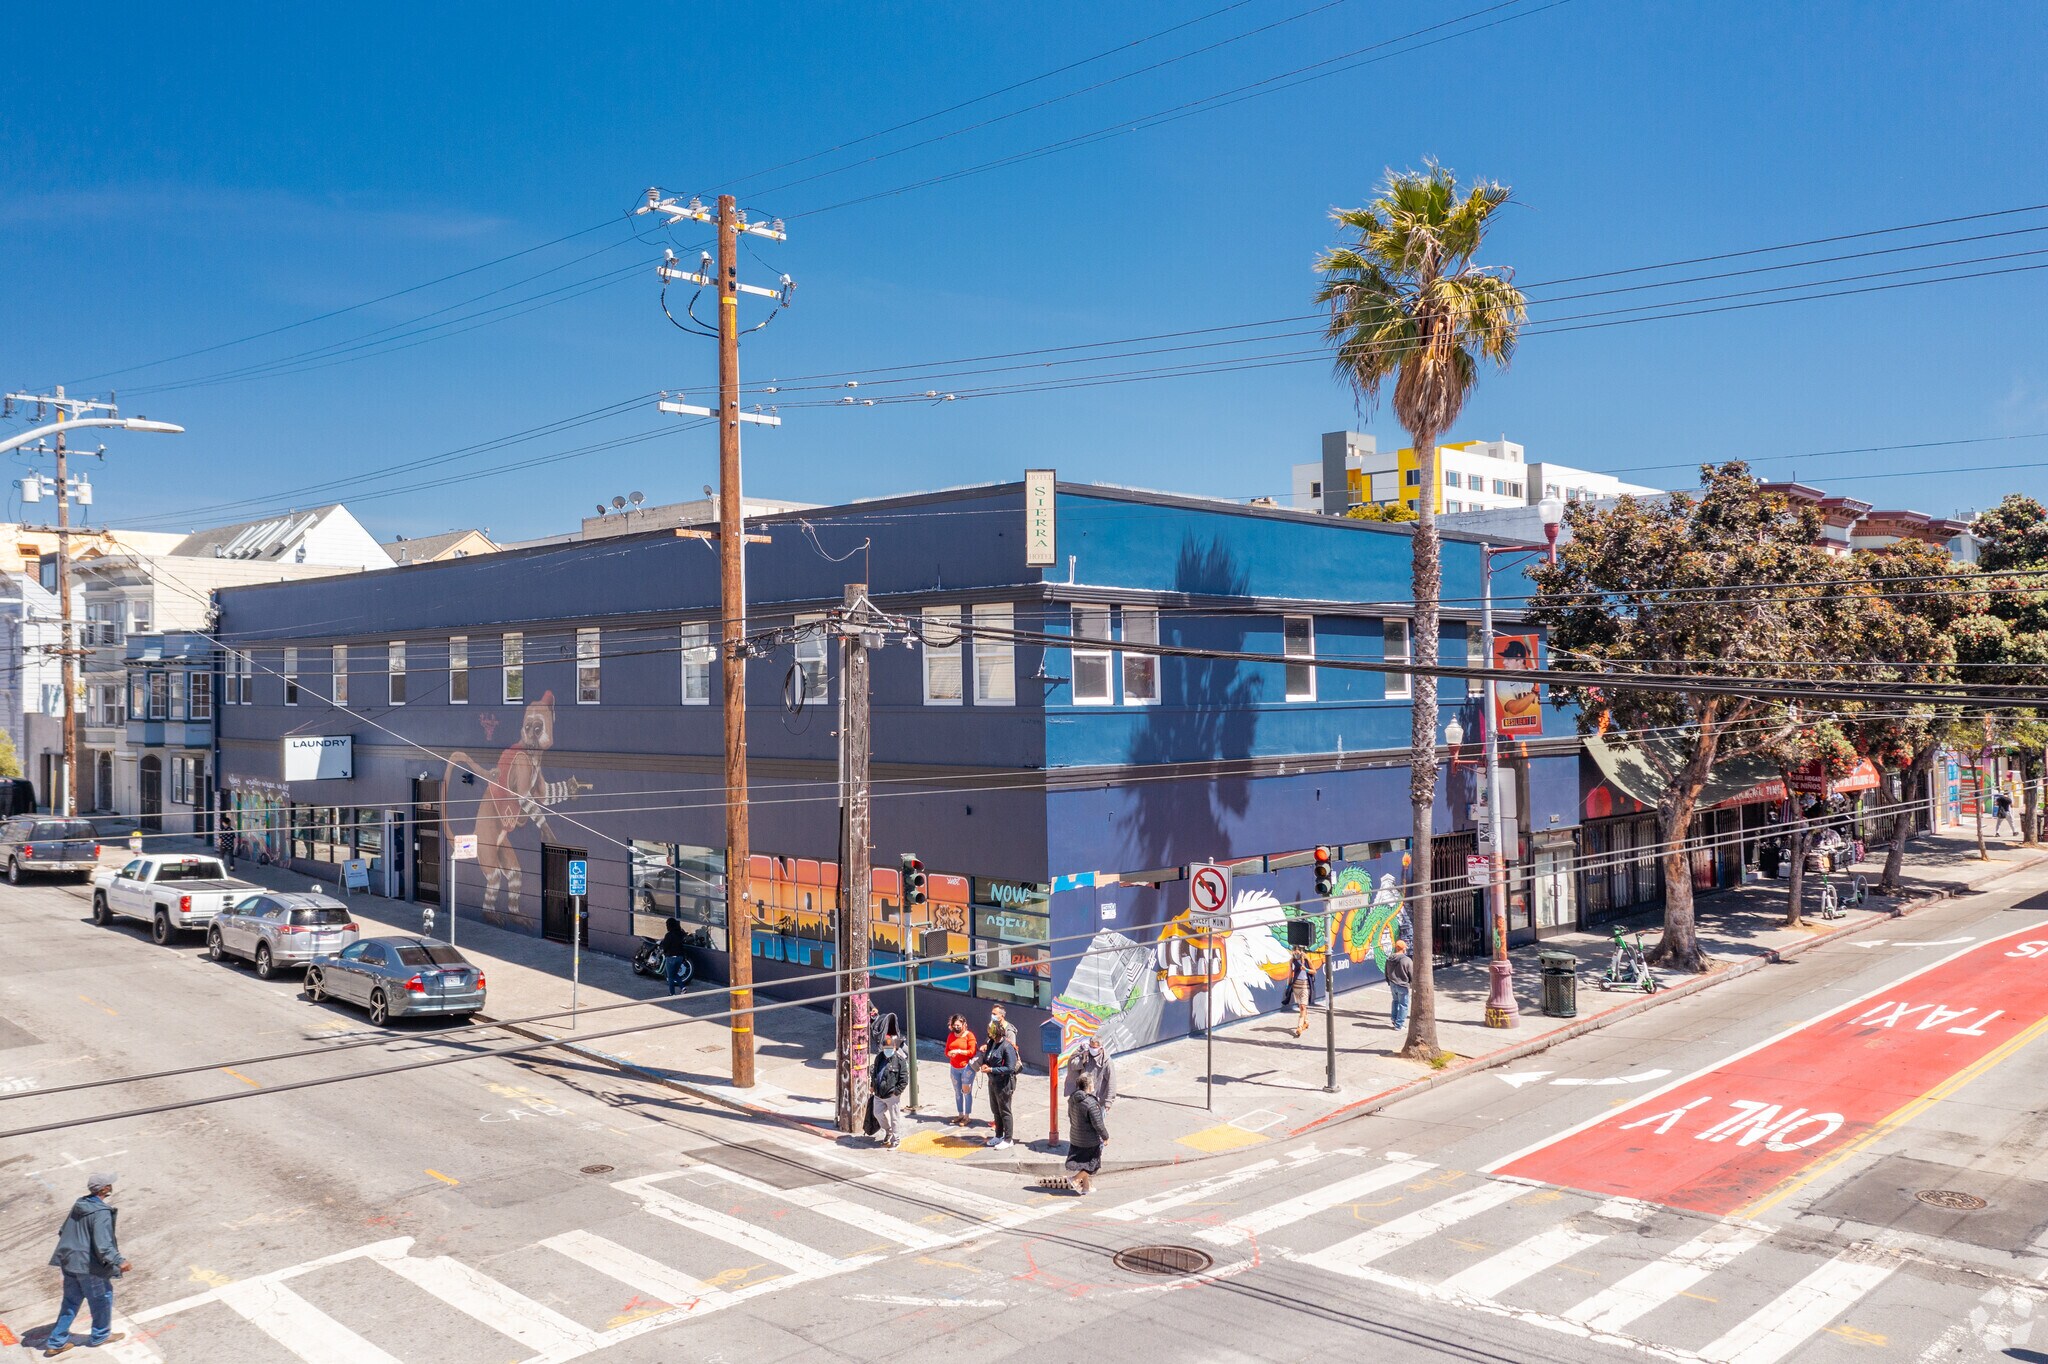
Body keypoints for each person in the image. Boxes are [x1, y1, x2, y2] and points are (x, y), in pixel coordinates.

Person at [43, 1171, 128, 1357]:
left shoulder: (80, 1204)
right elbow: (104, 1245)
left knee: (70, 1302)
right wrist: (120, 1261)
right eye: (109, 1184)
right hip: (88, 1267)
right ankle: (101, 1335)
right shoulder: (101, 1213)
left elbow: (63, 1230)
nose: (111, 1186)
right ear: (104, 1189)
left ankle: (56, 1342)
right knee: (102, 1298)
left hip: (69, 1262)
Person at [1063, 1071, 1110, 1195]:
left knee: (1084, 1163)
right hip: (1089, 1140)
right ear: (1089, 1086)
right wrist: (1105, 1136)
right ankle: (1075, 1179)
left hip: (1075, 1137)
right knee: (1093, 1164)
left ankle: (1086, 1188)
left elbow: (1070, 1116)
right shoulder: (1091, 1103)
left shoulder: (1072, 1099)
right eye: (1092, 1083)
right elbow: (1098, 1124)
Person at [978, 1019, 1021, 1149]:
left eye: (990, 1031)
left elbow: (1010, 1068)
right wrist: (985, 1064)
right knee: (995, 1110)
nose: (988, 1033)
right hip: (993, 1082)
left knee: (1005, 1111)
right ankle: (998, 1135)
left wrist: (991, 1070)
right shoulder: (991, 1043)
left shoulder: (1007, 1047)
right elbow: (988, 1058)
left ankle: (1008, 1139)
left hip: (1004, 1083)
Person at [870, 1029, 909, 1148]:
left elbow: (904, 1079)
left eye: (889, 1048)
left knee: (895, 1118)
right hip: (879, 1093)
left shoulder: (899, 1061)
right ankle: (888, 1131)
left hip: (892, 1095)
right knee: (877, 1113)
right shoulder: (879, 1058)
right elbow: (875, 1072)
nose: (887, 1051)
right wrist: (873, 1085)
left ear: (895, 1048)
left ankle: (896, 1138)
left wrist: (896, 1092)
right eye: (885, 1048)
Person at [1062, 1034, 1117, 1110]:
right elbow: (1072, 1066)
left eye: (1094, 1047)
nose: (1092, 1049)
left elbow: (1111, 1082)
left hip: (1097, 1100)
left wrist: (1108, 1102)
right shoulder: (1085, 1054)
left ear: (1101, 1048)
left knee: (1096, 1120)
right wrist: (1083, 1060)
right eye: (1090, 1047)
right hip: (1082, 1097)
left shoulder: (1106, 1062)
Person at [944, 1015, 979, 1126]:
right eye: (954, 1025)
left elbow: (972, 1052)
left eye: (958, 1025)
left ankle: (967, 1116)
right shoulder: (951, 1035)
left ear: (964, 1025)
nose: (956, 1028)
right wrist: (950, 1053)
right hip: (954, 1067)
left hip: (966, 1068)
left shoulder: (969, 1036)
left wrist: (959, 1051)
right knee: (957, 1092)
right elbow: (946, 1050)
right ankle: (960, 1114)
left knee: (966, 1091)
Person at [1285, 945, 1316, 1037]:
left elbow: (1314, 971)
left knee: (1302, 1006)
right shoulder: (1292, 961)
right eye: (1294, 951)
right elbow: (1290, 973)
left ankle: (1299, 1027)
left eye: (1298, 952)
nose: (1296, 953)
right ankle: (1306, 1022)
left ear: (1301, 952)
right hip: (1296, 985)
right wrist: (1288, 985)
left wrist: (1305, 969)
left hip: (1305, 985)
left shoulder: (1306, 960)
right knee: (1301, 1006)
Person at [1385, 939, 1414, 1031]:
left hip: (1393, 984)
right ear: (1403, 949)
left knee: (1395, 1001)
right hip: (1402, 985)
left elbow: (1386, 971)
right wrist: (1412, 985)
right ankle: (1399, 1025)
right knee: (1403, 1005)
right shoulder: (1407, 960)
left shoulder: (1389, 959)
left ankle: (1394, 1019)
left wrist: (1389, 981)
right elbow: (1412, 974)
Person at [659, 916, 692, 996]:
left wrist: (663, 948)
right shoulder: (680, 934)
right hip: (680, 957)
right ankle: (683, 988)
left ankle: (672, 993)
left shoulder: (669, 935)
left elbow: (665, 946)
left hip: (671, 958)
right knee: (674, 974)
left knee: (670, 976)